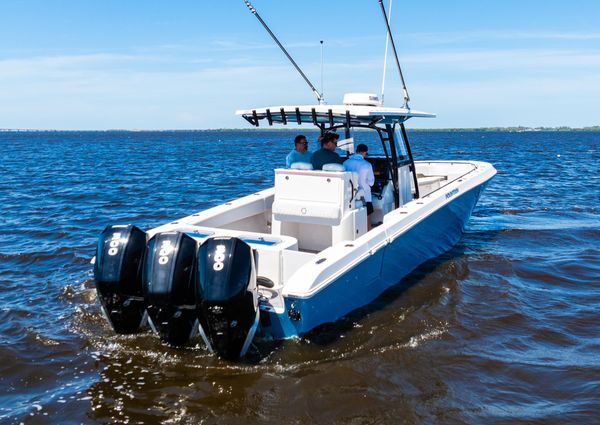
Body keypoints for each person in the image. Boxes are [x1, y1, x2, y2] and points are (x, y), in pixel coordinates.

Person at [343, 143, 375, 230]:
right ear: (365, 152)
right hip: (364, 195)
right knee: (368, 215)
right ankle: (369, 229)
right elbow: (371, 182)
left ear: (357, 151)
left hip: (349, 195)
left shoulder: (345, 162)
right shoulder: (367, 165)